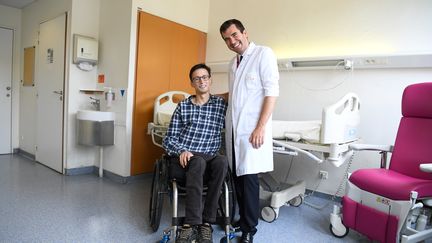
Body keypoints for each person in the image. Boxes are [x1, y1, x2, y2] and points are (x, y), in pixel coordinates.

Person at [219, 19, 279, 243]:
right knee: (237, 178)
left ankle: (249, 229)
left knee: (250, 180)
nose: (232, 41)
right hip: (235, 129)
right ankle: (243, 218)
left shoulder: (264, 54)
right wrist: (213, 97)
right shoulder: (231, 64)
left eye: (235, 35)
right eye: (227, 39)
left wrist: (260, 127)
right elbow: (234, 95)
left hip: (253, 129)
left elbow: (271, 92)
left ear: (245, 32)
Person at [163, 63, 228, 243]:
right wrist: (181, 150)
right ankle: (190, 225)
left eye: (205, 77)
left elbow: (240, 95)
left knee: (222, 162)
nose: (201, 81)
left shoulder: (220, 105)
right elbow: (168, 139)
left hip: (210, 160)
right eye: (197, 78)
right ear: (192, 83)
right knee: (197, 161)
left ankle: (206, 223)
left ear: (210, 80)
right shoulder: (183, 106)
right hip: (185, 161)